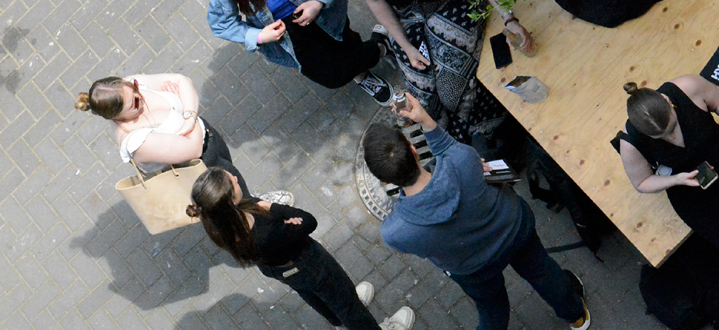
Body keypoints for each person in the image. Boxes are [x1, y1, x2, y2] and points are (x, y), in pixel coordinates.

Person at [364, 93, 588, 330]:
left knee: (492, 307)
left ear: (385, 180)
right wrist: (425, 120)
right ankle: (575, 315)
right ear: (413, 149)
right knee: (543, 272)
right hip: (514, 230)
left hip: (474, 268)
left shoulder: (395, 232)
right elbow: (448, 150)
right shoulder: (462, 160)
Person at [188, 167, 415, 330]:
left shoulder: (218, 225)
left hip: (280, 269)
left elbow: (294, 227)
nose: (237, 179)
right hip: (308, 262)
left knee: (312, 295)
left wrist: (285, 223)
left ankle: (340, 322)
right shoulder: (265, 230)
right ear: (230, 201)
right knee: (345, 300)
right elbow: (308, 221)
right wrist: (275, 209)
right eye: (233, 182)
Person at [364, 0, 529, 145]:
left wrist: (509, 18)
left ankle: (486, 131)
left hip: (453, 6)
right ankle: (448, 144)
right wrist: (406, 47)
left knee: (451, 92)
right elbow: (376, 2)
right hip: (407, 16)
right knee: (425, 101)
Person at [74, 73, 264, 198]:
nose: (140, 96)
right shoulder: (137, 141)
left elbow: (183, 81)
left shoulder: (130, 85)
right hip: (204, 167)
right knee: (235, 197)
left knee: (236, 178)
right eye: (134, 103)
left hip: (210, 137)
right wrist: (187, 107)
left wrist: (188, 119)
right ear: (117, 117)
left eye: (136, 90)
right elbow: (194, 149)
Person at [207, 0, 393, 104]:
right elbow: (221, 24)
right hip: (285, 34)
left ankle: (362, 72)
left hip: (320, 12)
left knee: (345, 42)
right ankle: (379, 46)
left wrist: (319, 2)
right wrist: (259, 35)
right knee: (332, 76)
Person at [614, 77, 719, 251]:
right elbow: (641, 182)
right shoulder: (630, 143)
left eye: (672, 128)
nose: (669, 137)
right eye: (660, 137)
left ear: (669, 101)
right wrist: (677, 180)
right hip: (690, 189)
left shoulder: (689, 87)